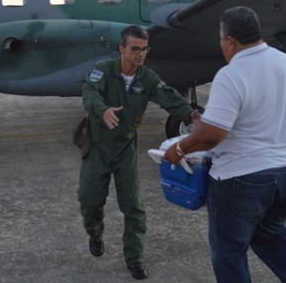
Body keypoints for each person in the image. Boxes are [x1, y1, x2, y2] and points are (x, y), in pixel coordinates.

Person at [164, 6, 286, 283]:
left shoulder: (231, 73)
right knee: (272, 236)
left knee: (229, 254)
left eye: (221, 40)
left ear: (230, 41)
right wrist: (207, 121)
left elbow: (213, 136)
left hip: (245, 178)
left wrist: (180, 149)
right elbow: (272, 114)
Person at [79, 25, 198, 280]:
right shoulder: (102, 70)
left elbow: (170, 99)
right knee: (90, 201)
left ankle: (134, 258)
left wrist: (191, 115)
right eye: (135, 49)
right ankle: (95, 233)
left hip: (125, 148)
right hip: (98, 147)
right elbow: (89, 94)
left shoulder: (148, 78)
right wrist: (103, 110)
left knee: (134, 207)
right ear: (122, 48)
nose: (140, 55)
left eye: (144, 50)